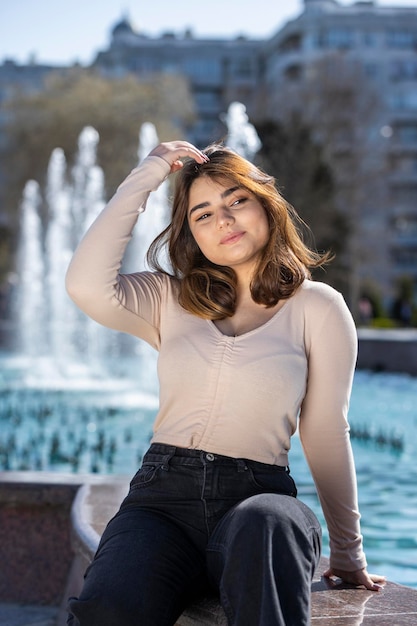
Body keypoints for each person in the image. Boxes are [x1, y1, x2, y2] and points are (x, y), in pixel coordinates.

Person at [65, 140, 385, 626]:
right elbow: (85, 285)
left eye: (237, 200)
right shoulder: (167, 298)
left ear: (265, 205)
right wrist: (150, 172)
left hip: (259, 500)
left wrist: (347, 550)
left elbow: (324, 431)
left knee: (269, 523)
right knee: (109, 606)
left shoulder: (317, 307)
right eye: (203, 214)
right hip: (161, 503)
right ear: (191, 234)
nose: (224, 220)